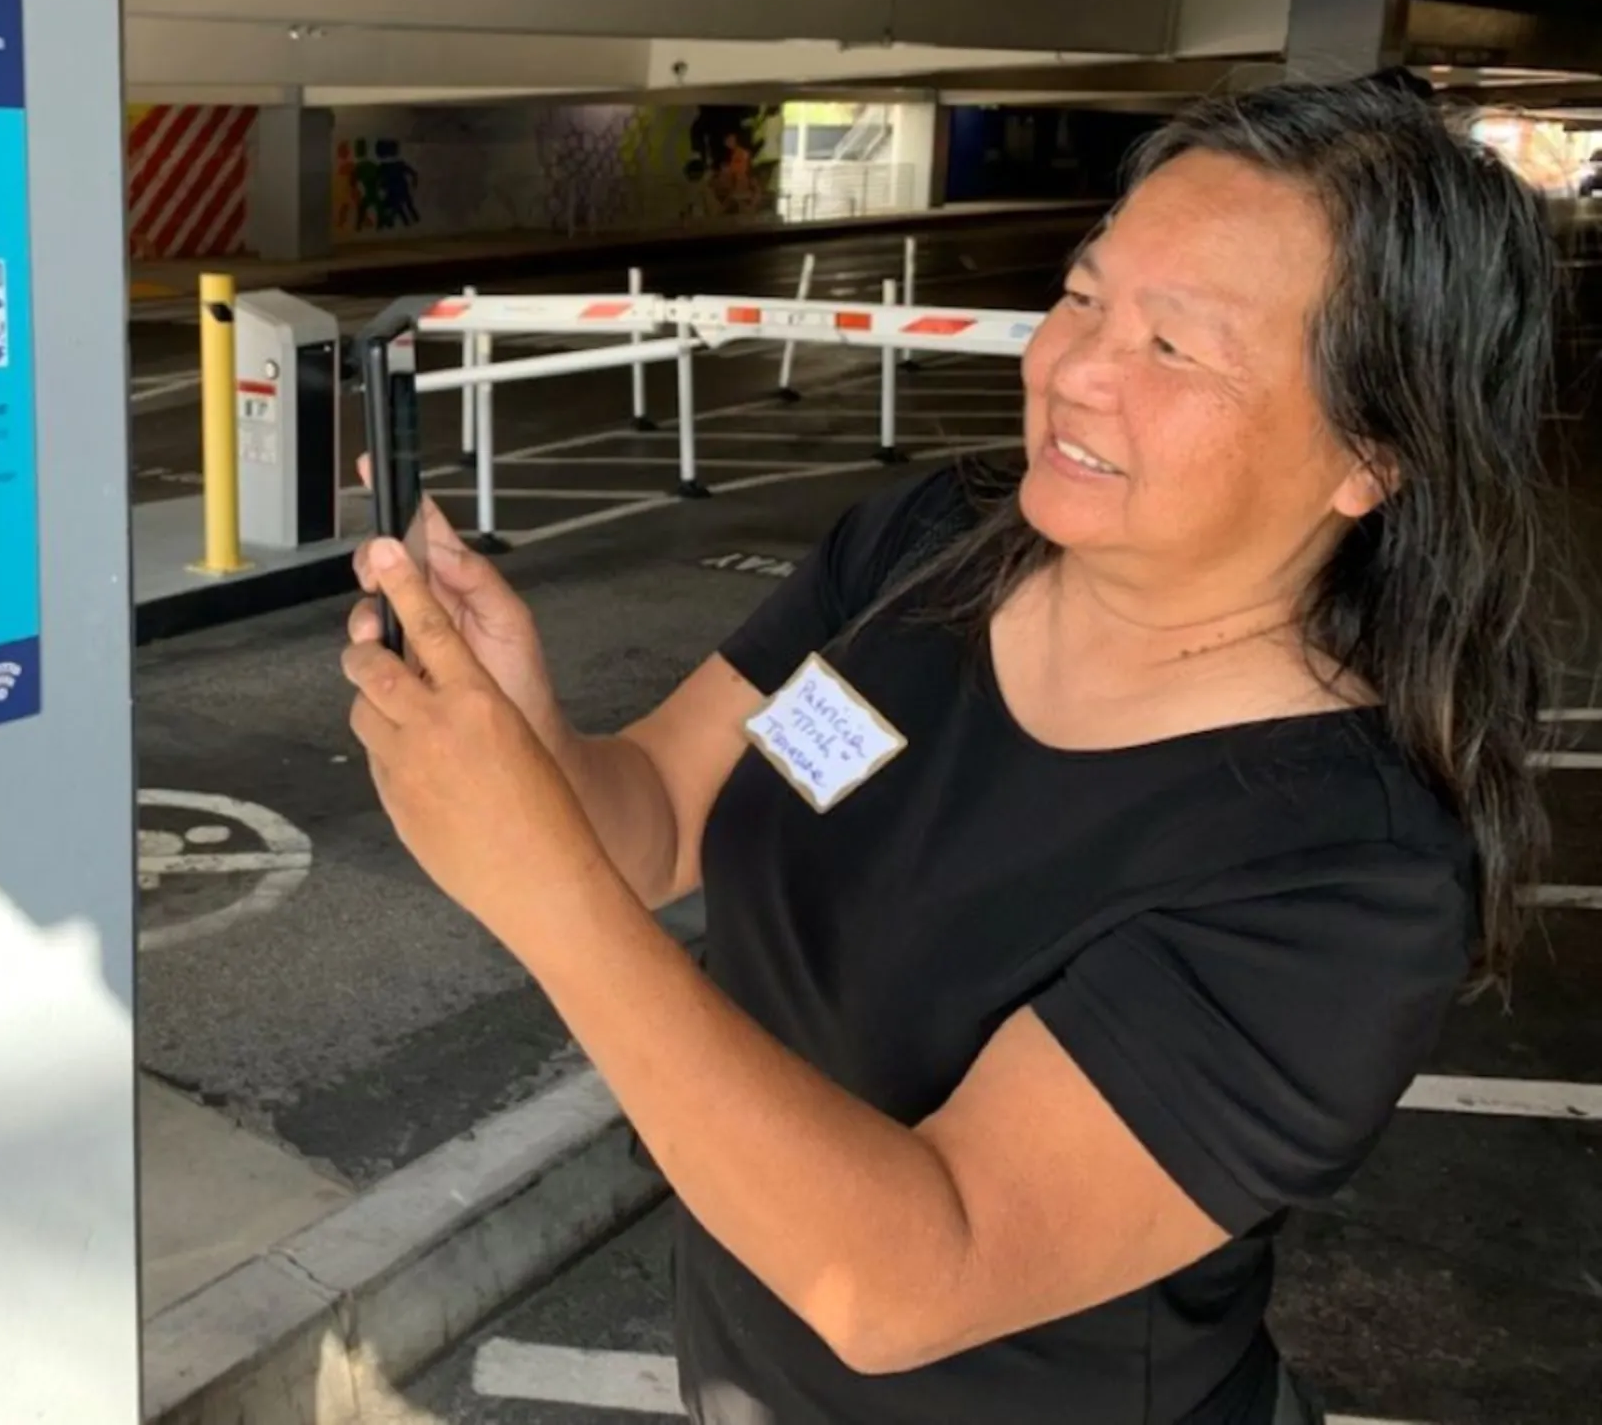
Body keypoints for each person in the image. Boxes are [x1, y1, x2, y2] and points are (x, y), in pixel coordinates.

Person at [340, 75, 1559, 1424]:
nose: (1074, 370)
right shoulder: (934, 545)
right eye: (1085, 296)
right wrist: (528, 741)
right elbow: (655, 824)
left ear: (1371, 457)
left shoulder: (1342, 866)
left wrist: (538, 895)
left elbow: (909, 1279)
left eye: (1176, 349)